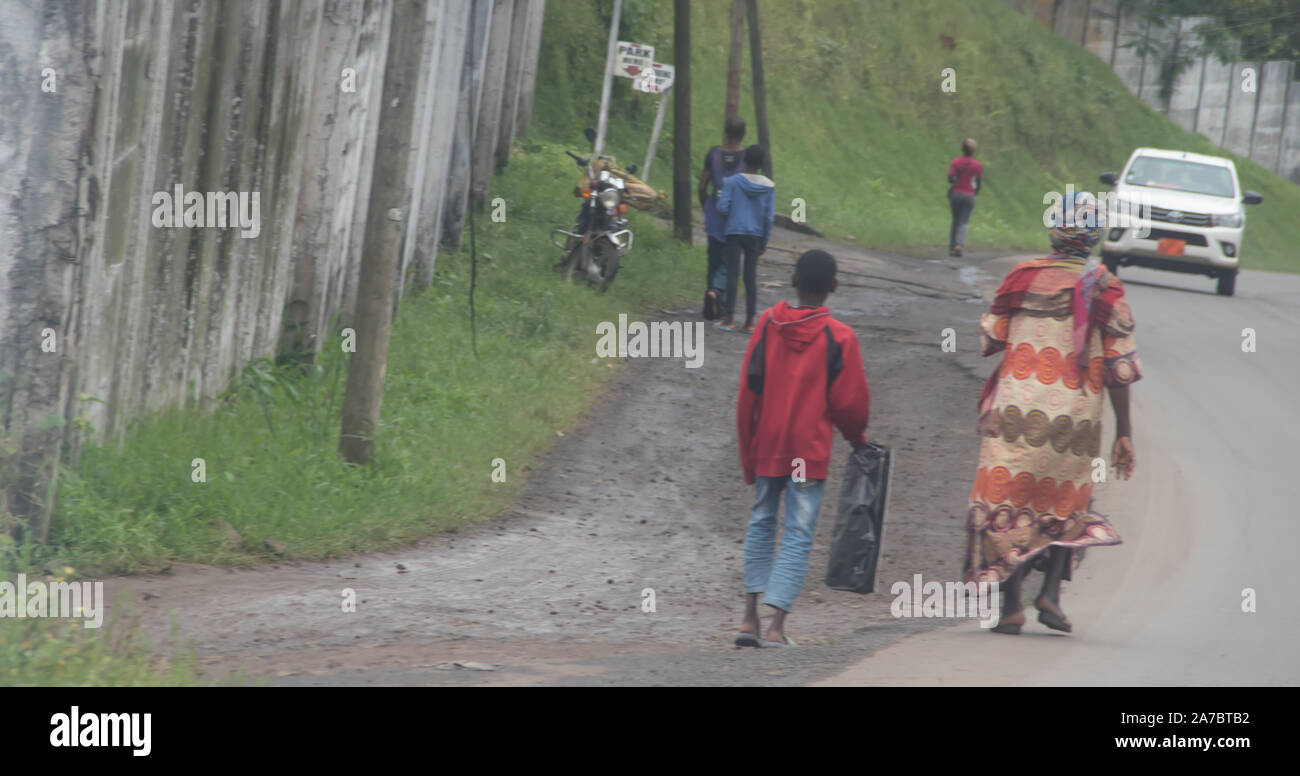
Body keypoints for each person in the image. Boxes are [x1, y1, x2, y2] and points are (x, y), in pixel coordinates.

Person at [965, 191, 1140, 635]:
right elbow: (1120, 368)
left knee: (1010, 502)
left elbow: (991, 339)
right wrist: (1125, 432)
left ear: (1054, 230)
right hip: (1075, 419)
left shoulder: (1022, 277)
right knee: (1067, 503)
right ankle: (1051, 596)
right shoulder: (1105, 285)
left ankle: (1011, 607)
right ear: (1094, 235)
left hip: (1016, 415)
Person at [734, 250, 871, 648]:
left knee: (761, 521)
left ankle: (747, 619)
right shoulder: (839, 337)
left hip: (769, 445)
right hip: (806, 455)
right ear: (834, 285)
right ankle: (776, 626)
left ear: (794, 280)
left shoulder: (766, 325)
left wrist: (748, 452)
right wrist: (857, 439)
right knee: (797, 531)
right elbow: (850, 404)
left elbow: (749, 392)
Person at [715, 144, 775, 333]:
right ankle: (750, 322)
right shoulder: (769, 186)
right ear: (761, 163)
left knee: (733, 274)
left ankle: (729, 318)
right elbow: (768, 217)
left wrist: (732, 216)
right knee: (750, 277)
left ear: (744, 160)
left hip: (734, 232)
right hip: (755, 235)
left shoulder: (733, 182)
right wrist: (764, 241)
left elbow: (722, 207)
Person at [699, 116, 747, 319]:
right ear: (743, 135)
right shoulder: (747, 159)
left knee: (714, 259)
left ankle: (711, 301)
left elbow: (702, 186)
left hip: (714, 215)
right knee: (730, 263)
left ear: (725, 132)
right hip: (735, 219)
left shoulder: (713, 154)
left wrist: (706, 208)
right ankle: (716, 293)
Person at [947, 138, 982, 257]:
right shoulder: (977, 165)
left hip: (956, 194)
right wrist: (975, 193)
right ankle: (959, 245)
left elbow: (951, 178)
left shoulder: (955, 162)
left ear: (962, 149)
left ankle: (952, 247)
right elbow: (978, 181)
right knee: (964, 221)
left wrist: (956, 180)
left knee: (955, 221)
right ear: (973, 151)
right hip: (969, 195)